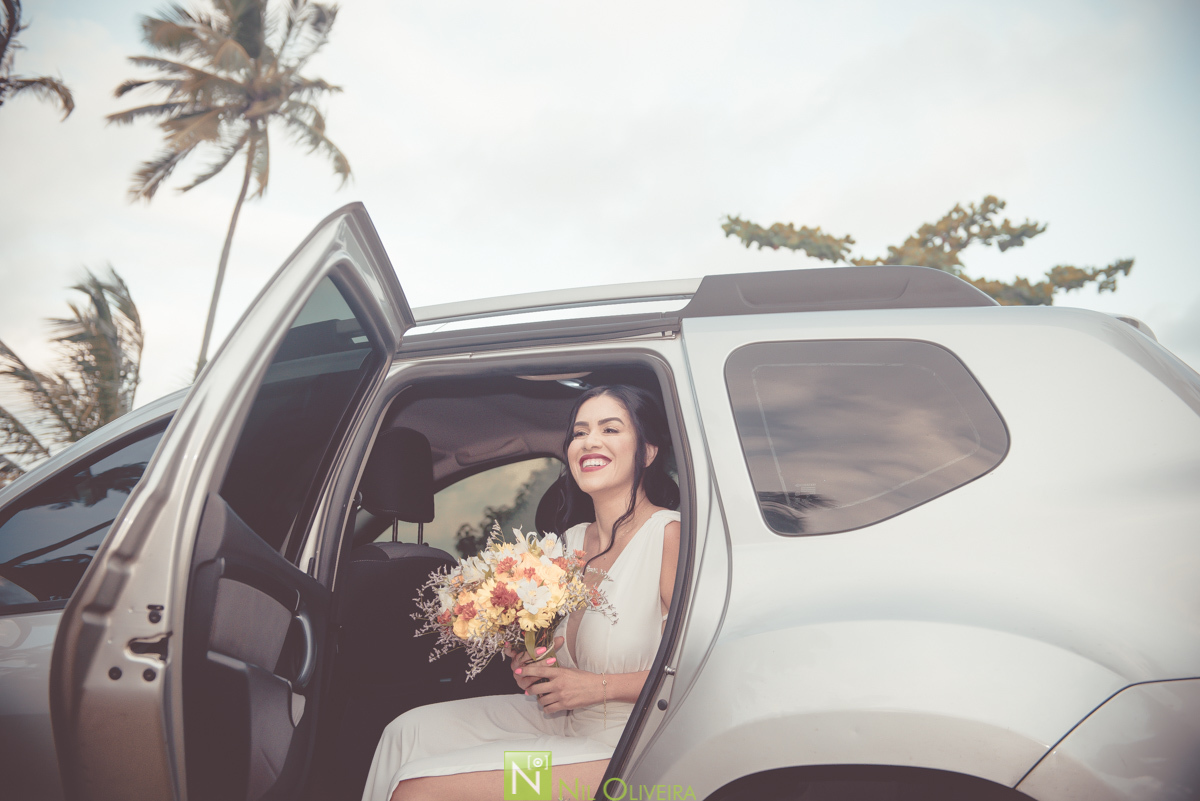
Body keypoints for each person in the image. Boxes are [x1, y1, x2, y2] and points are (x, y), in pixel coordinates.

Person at [360, 384, 682, 801]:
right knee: (405, 732)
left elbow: (700, 667)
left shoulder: (668, 535)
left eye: (610, 429)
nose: (590, 441)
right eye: (580, 432)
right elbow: (555, 653)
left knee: (418, 789)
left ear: (648, 452)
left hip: (629, 748)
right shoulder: (569, 543)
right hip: (561, 721)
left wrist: (595, 687)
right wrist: (530, 655)